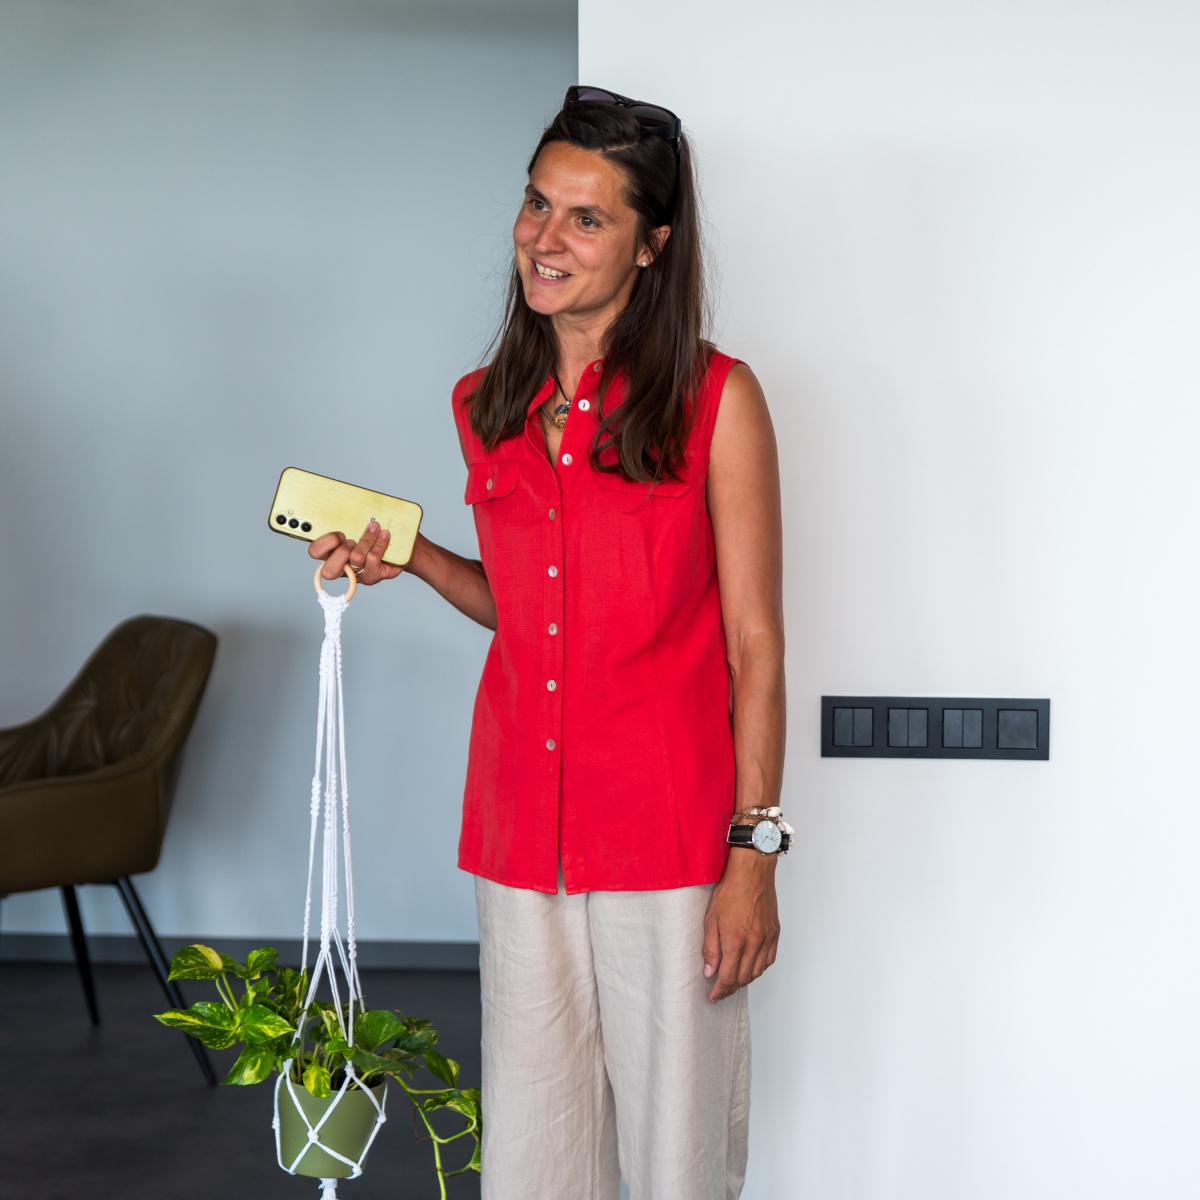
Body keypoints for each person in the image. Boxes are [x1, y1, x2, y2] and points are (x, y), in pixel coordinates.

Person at [311, 86, 786, 1200]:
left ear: (650, 245)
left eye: (586, 217)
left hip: (669, 843)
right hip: (522, 836)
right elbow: (530, 610)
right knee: (536, 1161)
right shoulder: (486, 405)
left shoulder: (719, 401)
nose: (545, 238)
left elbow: (756, 645)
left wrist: (754, 857)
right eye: (537, 204)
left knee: (677, 1162)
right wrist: (414, 559)